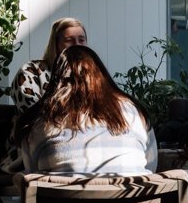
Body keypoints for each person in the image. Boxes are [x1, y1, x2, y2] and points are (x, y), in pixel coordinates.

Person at [12, 45, 156, 175]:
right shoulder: (134, 112)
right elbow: (151, 166)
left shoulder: (40, 122)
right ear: (102, 75)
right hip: (133, 202)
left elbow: (32, 173)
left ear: (56, 79)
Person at [10, 17, 89, 113]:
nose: (77, 45)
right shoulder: (31, 71)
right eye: (69, 40)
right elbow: (34, 115)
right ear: (55, 44)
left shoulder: (92, 75)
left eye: (81, 40)